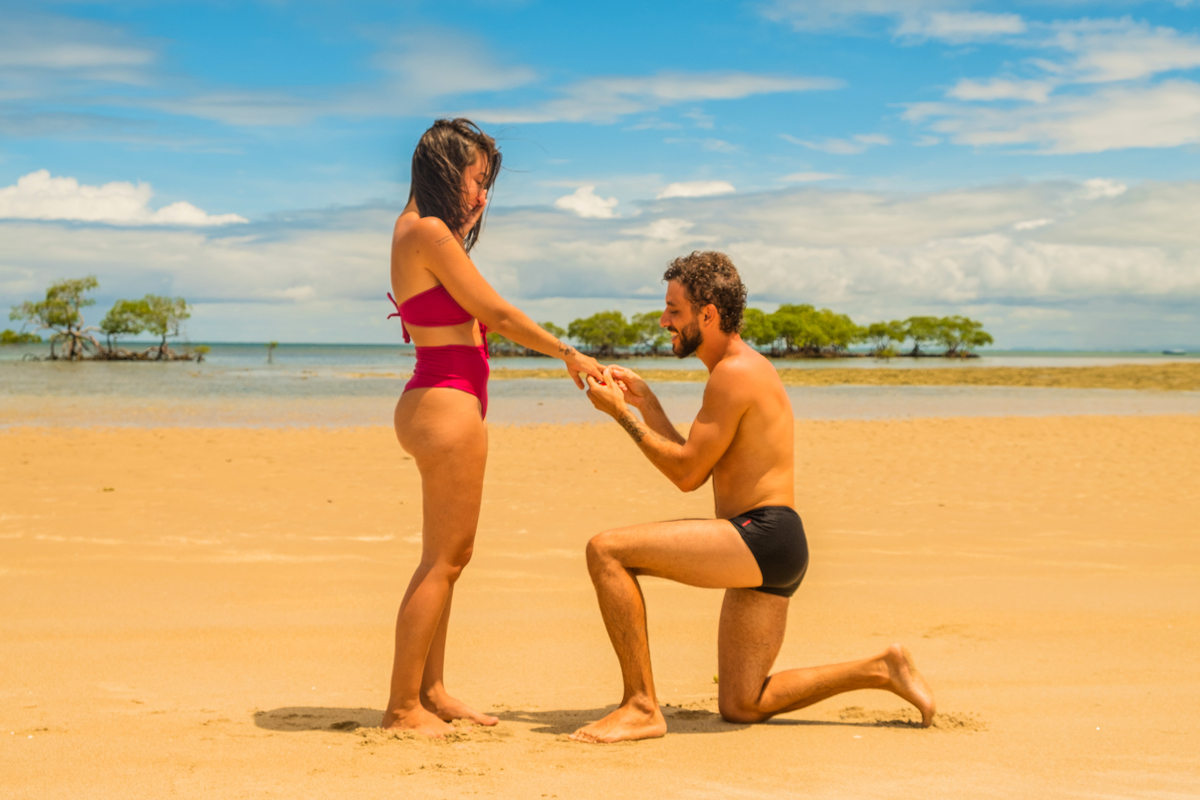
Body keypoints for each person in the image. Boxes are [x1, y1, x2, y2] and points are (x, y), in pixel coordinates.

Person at [574, 250, 935, 743]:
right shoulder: (736, 369)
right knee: (743, 703)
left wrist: (621, 415)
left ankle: (640, 705)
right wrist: (647, 404)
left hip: (761, 536)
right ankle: (881, 668)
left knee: (606, 551)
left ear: (709, 315)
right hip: (774, 543)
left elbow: (685, 475)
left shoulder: (735, 373)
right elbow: (694, 463)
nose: (663, 321)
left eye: (674, 310)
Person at [384, 119, 604, 736]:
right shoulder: (428, 231)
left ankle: (431, 690)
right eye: (476, 179)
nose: (482, 196)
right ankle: (404, 707)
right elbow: (497, 312)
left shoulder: (413, 231)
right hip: (445, 403)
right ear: (442, 168)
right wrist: (569, 354)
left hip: (440, 400)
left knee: (445, 558)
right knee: (445, 562)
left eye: (487, 185)